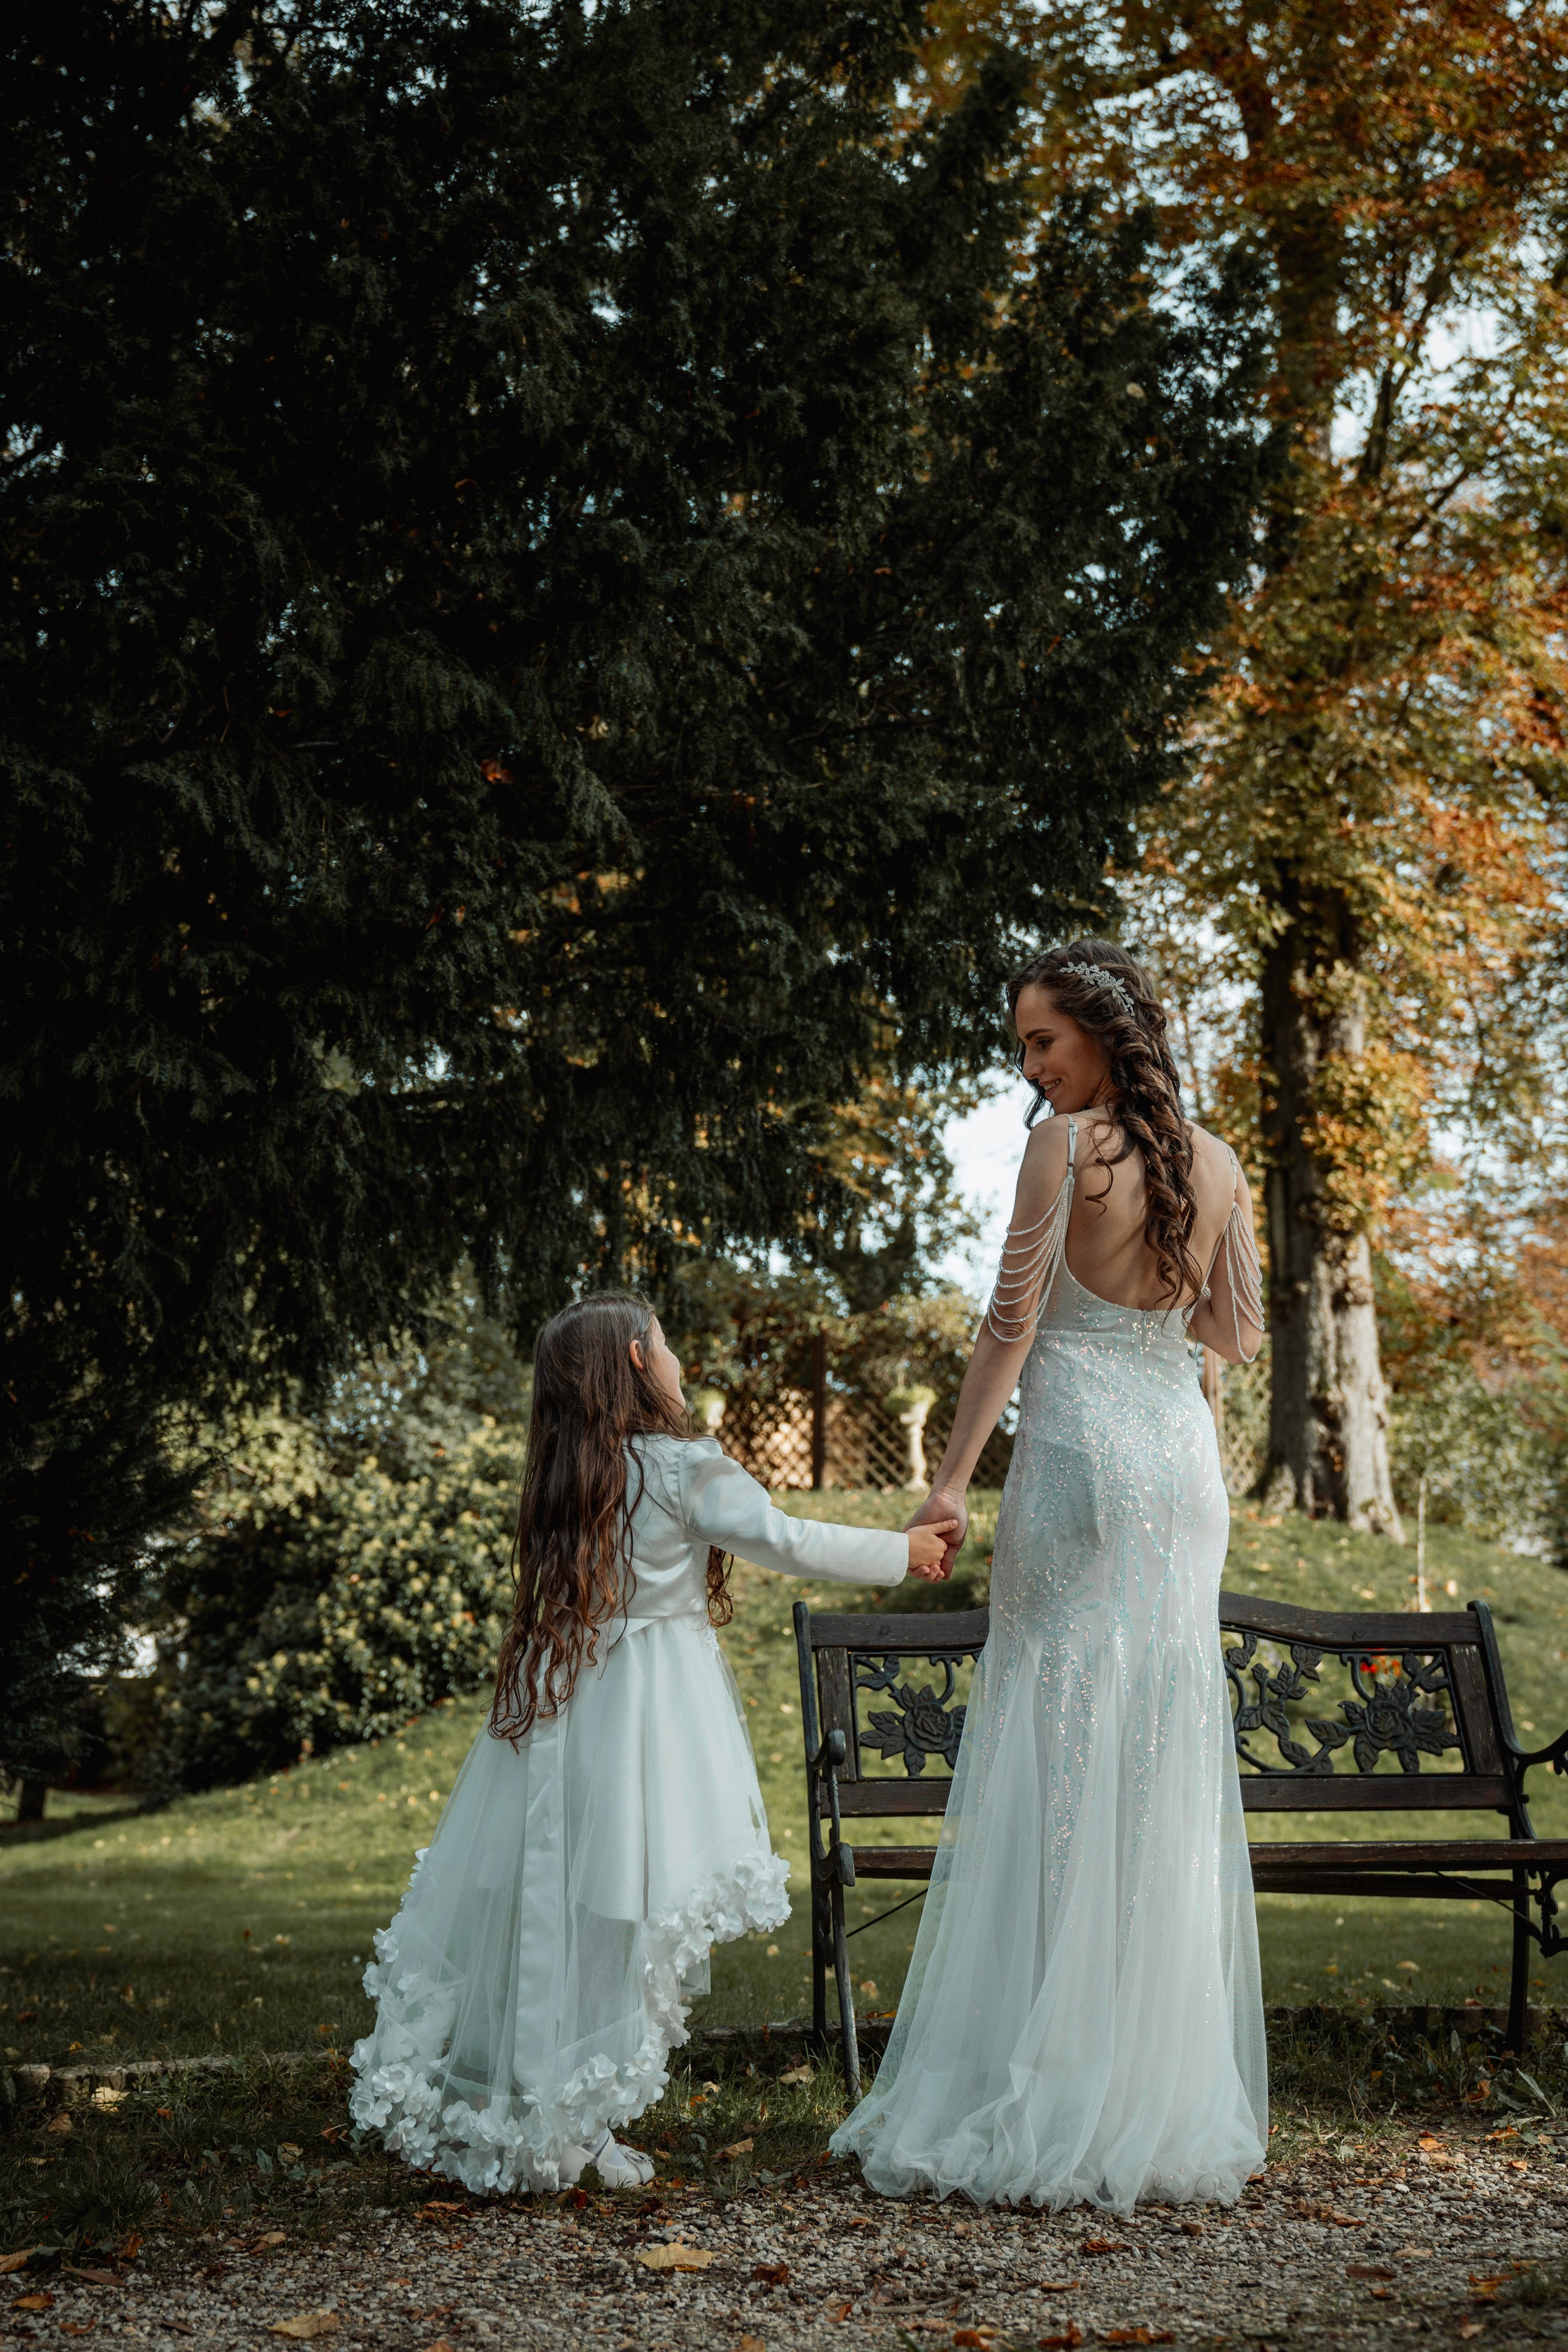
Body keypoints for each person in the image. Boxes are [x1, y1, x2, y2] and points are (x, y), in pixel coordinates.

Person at [832, 939, 1268, 2212]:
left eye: (1041, 1042)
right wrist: (1165, 1306)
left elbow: (1010, 1322)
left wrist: (949, 1482)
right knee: (1155, 1744)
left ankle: (1047, 2065)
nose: (1030, 1068)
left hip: (1076, 1463)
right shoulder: (1218, 1161)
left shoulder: (1062, 1148)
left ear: (1100, 1035)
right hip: (1180, 1475)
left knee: (1057, 1735)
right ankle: (1144, 2082)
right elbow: (1235, 1332)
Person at [350, 1291, 955, 2194]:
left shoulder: (571, 1477)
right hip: (650, 1721)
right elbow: (785, 1539)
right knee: (621, 1910)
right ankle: (573, 2116)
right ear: (637, 1358)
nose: (676, 1362)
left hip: (565, 1708)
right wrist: (901, 1552)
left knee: (564, 1905)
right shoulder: (683, 1469)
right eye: (665, 1345)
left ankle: (550, 2112)